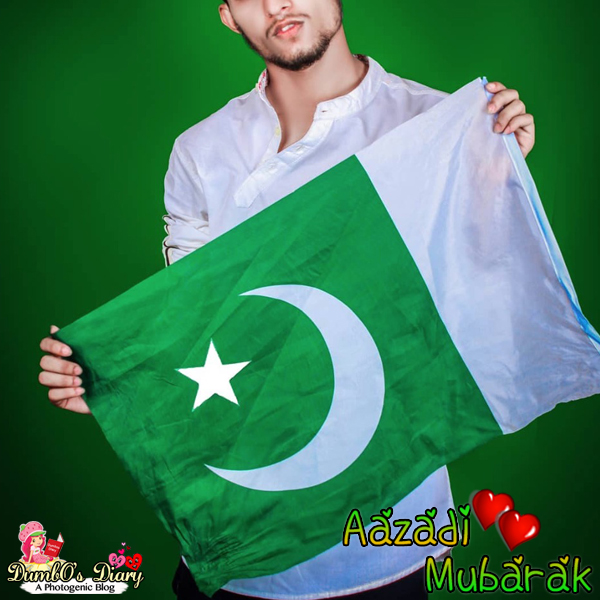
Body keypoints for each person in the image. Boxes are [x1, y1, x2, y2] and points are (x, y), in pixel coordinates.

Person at [38, 0, 536, 598]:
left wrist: (499, 181)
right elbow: (203, 332)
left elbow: (481, 309)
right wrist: (121, 385)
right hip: (239, 538)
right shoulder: (201, 151)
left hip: (383, 540)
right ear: (229, 16)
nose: (278, 3)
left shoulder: (436, 124)